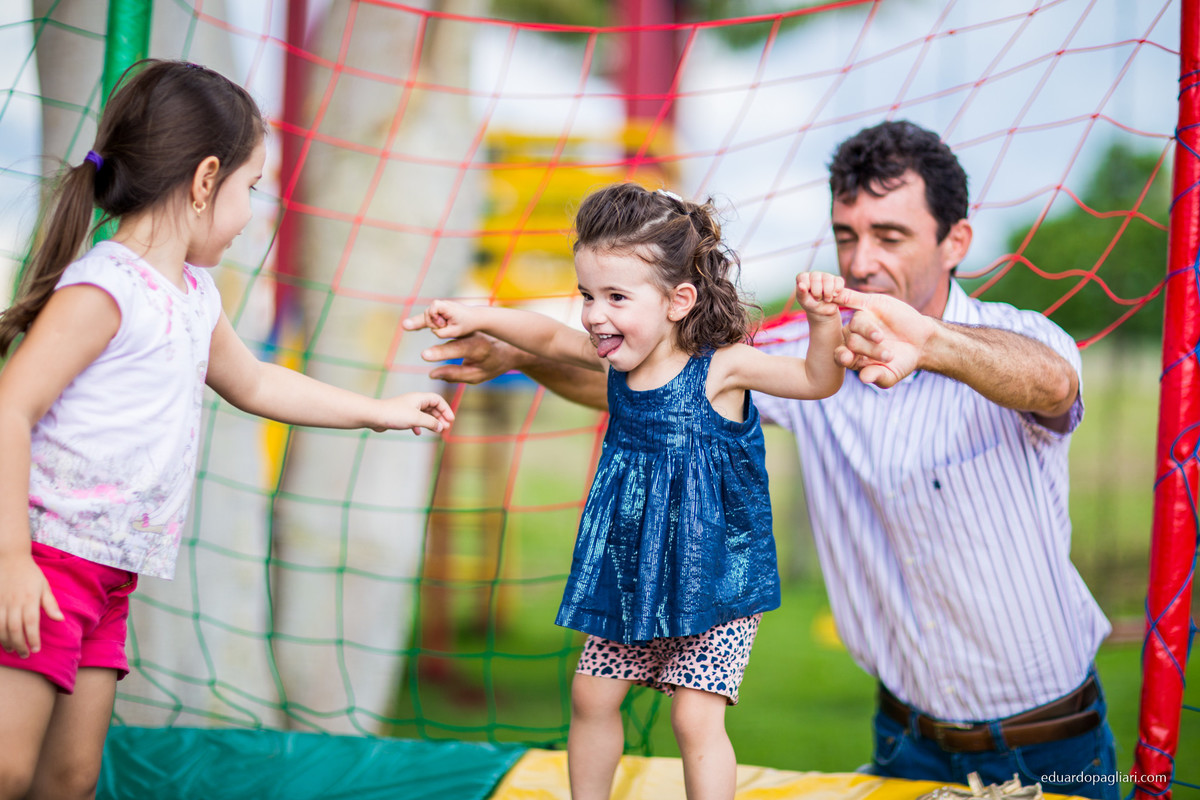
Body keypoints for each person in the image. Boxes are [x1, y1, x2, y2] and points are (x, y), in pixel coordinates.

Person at [416, 122, 1119, 799]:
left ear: (955, 241)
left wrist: (928, 343)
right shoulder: (790, 353)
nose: (861, 260)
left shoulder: (1015, 338)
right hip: (904, 738)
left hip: (1052, 739)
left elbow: (1051, 383)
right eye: (848, 235)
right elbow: (638, 385)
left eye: (891, 236)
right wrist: (518, 356)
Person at [0, 59, 454, 800]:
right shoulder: (107, 285)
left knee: (72, 777)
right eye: (251, 189)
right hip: (46, 562)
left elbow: (257, 382)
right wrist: (11, 559)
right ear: (205, 179)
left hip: (110, 575)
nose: (252, 215)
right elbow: (9, 410)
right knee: (9, 768)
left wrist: (379, 411)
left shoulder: (194, 295)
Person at [404, 182, 856, 800]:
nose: (594, 314)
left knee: (694, 716)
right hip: (632, 568)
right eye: (587, 294)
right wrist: (476, 313)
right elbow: (543, 335)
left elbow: (816, 379)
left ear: (679, 300)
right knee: (591, 692)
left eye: (615, 296)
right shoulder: (612, 358)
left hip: (715, 576)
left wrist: (823, 320)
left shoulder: (721, 366)